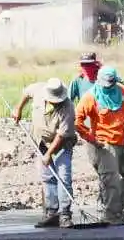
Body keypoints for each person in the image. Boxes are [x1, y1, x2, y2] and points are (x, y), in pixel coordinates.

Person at [74, 65, 124, 225]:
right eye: (105, 83)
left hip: (123, 141)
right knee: (111, 180)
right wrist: (91, 138)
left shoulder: (122, 91)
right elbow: (77, 121)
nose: (108, 86)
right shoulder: (91, 97)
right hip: (104, 144)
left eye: (111, 83)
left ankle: (116, 210)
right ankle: (110, 215)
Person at [14, 77, 77, 228]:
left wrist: (49, 154)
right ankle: (51, 212)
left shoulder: (67, 106)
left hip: (62, 144)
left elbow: (62, 134)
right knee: (47, 177)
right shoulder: (38, 90)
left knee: (63, 177)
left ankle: (65, 214)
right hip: (41, 141)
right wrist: (18, 108)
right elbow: (26, 93)